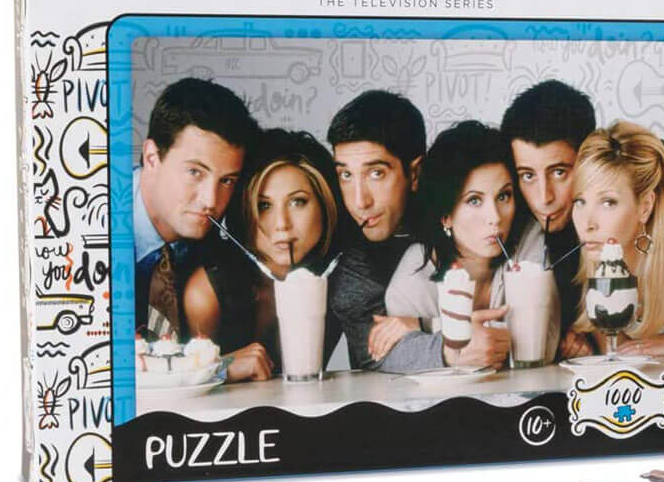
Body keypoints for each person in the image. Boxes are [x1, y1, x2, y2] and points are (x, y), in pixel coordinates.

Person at [182, 129, 339, 382]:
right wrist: (221, 369)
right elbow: (184, 382)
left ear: (326, 204)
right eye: (264, 206)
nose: (282, 224)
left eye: (297, 202)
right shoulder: (206, 293)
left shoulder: (341, 276)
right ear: (244, 211)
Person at [326, 90, 446, 371]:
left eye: (376, 173)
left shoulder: (461, 215)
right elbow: (386, 355)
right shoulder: (350, 267)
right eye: (346, 175)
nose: (360, 201)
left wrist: (425, 324)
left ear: (414, 173)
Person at [383, 120, 517, 369]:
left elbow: (543, 333)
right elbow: (398, 359)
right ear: (446, 216)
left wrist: (429, 325)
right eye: (474, 200)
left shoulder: (526, 243)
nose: (495, 217)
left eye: (503, 196)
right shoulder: (415, 278)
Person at [134, 77, 258, 342]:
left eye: (226, 181)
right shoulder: (88, 222)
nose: (211, 200)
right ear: (151, 158)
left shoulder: (221, 250)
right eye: (195, 172)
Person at [500, 79, 596, 358]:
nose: (544, 197)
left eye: (559, 172)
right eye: (528, 176)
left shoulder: (620, 213)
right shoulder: (507, 225)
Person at [568, 120, 664, 358]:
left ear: (645, 206)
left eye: (608, 202)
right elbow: (617, 356)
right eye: (580, 201)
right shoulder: (597, 266)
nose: (587, 223)